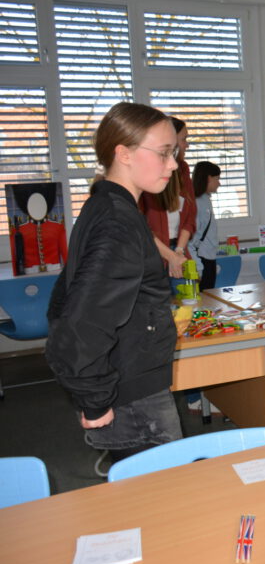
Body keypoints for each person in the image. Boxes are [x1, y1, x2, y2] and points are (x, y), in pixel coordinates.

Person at [46, 102, 183, 463]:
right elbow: (81, 320)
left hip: (128, 377)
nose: (173, 164)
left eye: (174, 153)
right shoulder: (116, 222)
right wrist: (94, 397)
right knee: (163, 492)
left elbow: (64, 298)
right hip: (131, 391)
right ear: (124, 153)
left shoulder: (106, 205)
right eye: (164, 153)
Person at [140, 116, 196, 279]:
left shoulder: (183, 169)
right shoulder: (147, 175)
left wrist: (178, 251)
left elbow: (190, 216)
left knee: (190, 293)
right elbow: (141, 227)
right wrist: (170, 256)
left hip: (179, 251)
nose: (187, 145)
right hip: (154, 256)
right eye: (184, 139)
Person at [188, 161, 221, 291]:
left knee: (209, 298)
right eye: (217, 179)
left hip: (208, 259)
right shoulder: (197, 203)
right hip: (201, 261)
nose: (219, 183)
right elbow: (190, 241)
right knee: (204, 299)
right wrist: (199, 268)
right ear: (208, 178)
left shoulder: (205, 199)